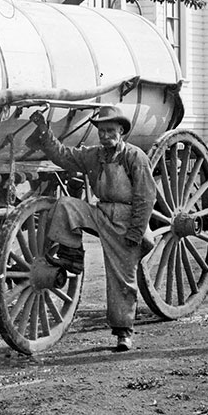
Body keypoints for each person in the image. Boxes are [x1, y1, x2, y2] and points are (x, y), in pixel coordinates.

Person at [25, 104, 157, 352]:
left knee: (122, 280)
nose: (105, 135)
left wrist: (136, 232)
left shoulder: (135, 157)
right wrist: (44, 132)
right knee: (65, 206)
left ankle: (123, 332)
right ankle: (73, 256)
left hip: (126, 221)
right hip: (101, 212)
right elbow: (64, 155)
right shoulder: (94, 155)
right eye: (101, 131)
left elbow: (146, 198)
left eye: (110, 130)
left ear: (121, 131)